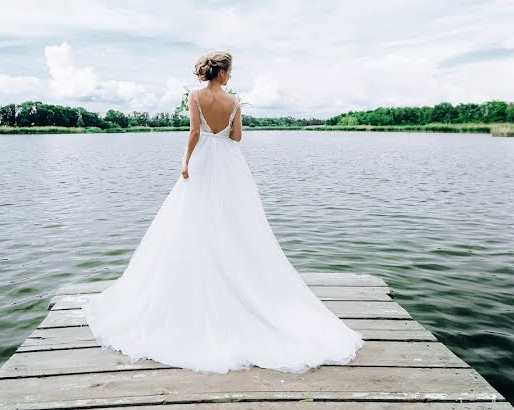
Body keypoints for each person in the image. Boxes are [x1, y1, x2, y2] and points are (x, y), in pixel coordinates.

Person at [85, 50, 364, 374]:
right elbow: (237, 138)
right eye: (229, 72)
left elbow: (193, 133)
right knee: (235, 225)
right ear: (222, 72)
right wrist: (225, 127)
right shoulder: (234, 101)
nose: (231, 77)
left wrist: (186, 162)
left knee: (192, 224)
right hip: (230, 168)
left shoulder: (195, 96)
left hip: (203, 162)